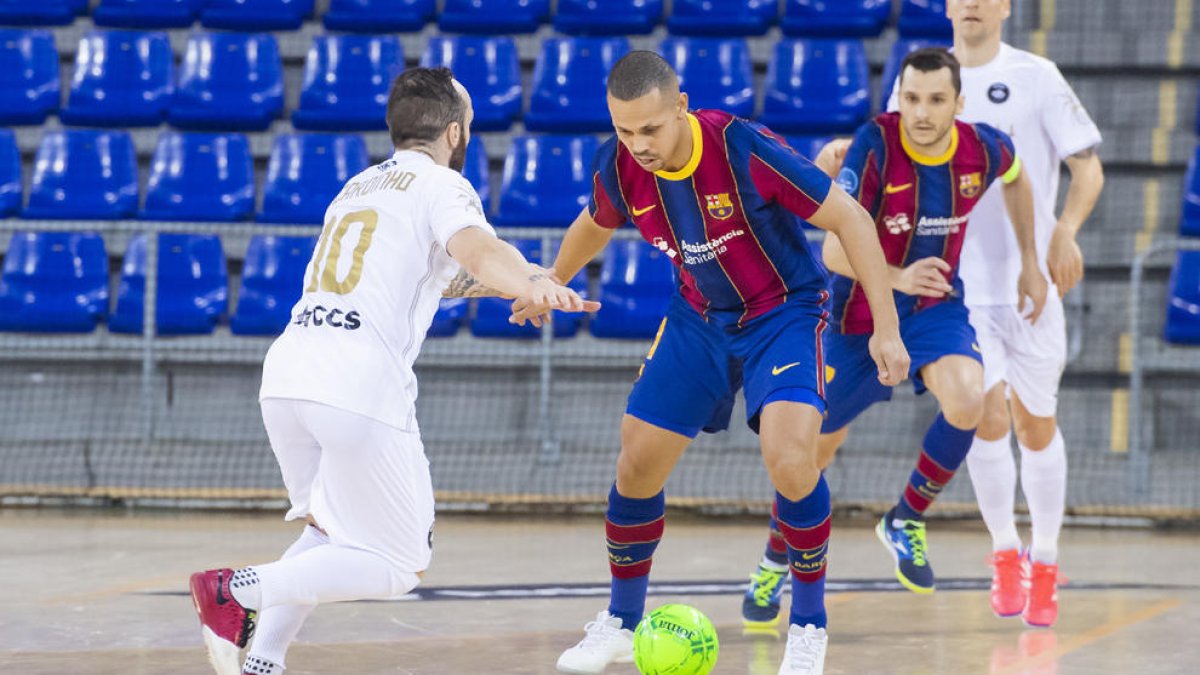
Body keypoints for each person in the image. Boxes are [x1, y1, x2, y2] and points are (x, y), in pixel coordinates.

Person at [186, 67, 595, 675]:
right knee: (400, 565)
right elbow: (479, 250)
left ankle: (263, 661)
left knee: (329, 531)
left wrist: (525, 282)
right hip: (357, 387)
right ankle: (233, 591)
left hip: (290, 376)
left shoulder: (358, 187)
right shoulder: (442, 186)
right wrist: (533, 280)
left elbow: (441, 275)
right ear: (455, 132)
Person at [513, 51, 910, 675]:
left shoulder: (742, 147)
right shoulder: (619, 166)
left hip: (783, 312)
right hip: (699, 317)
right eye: (623, 130)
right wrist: (550, 282)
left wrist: (885, 327)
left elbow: (851, 217)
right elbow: (593, 223)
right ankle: (621, 620)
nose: (637, 144)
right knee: (637, 459)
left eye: (650, 129)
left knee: (789, 459)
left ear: (680, 106)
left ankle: (807, 627)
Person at [740, 47, 1049, 627]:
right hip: (854, 317)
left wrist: (1031, 260)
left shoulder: (984, 147)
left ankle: (905, 518)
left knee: (970, 398)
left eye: (936, 100)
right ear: (898, 99)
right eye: (911, 99)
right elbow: (833, 247)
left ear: (958, 104)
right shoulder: (875, 145)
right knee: (807, 457)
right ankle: (774, 560)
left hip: (932, 309)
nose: (922, 113)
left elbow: (1018, 176)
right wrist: (899, 274)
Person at [942, 0, 1104, 627]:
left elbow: (1086, 168)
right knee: (984, 419)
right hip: (958, 289)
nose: (974, 4)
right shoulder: (923, 81)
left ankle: (1047, 559)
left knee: (1036, 425)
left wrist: (1064, 230)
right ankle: (1005, 552)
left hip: (1029, 286)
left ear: (1006, 7)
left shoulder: (1036, 75)